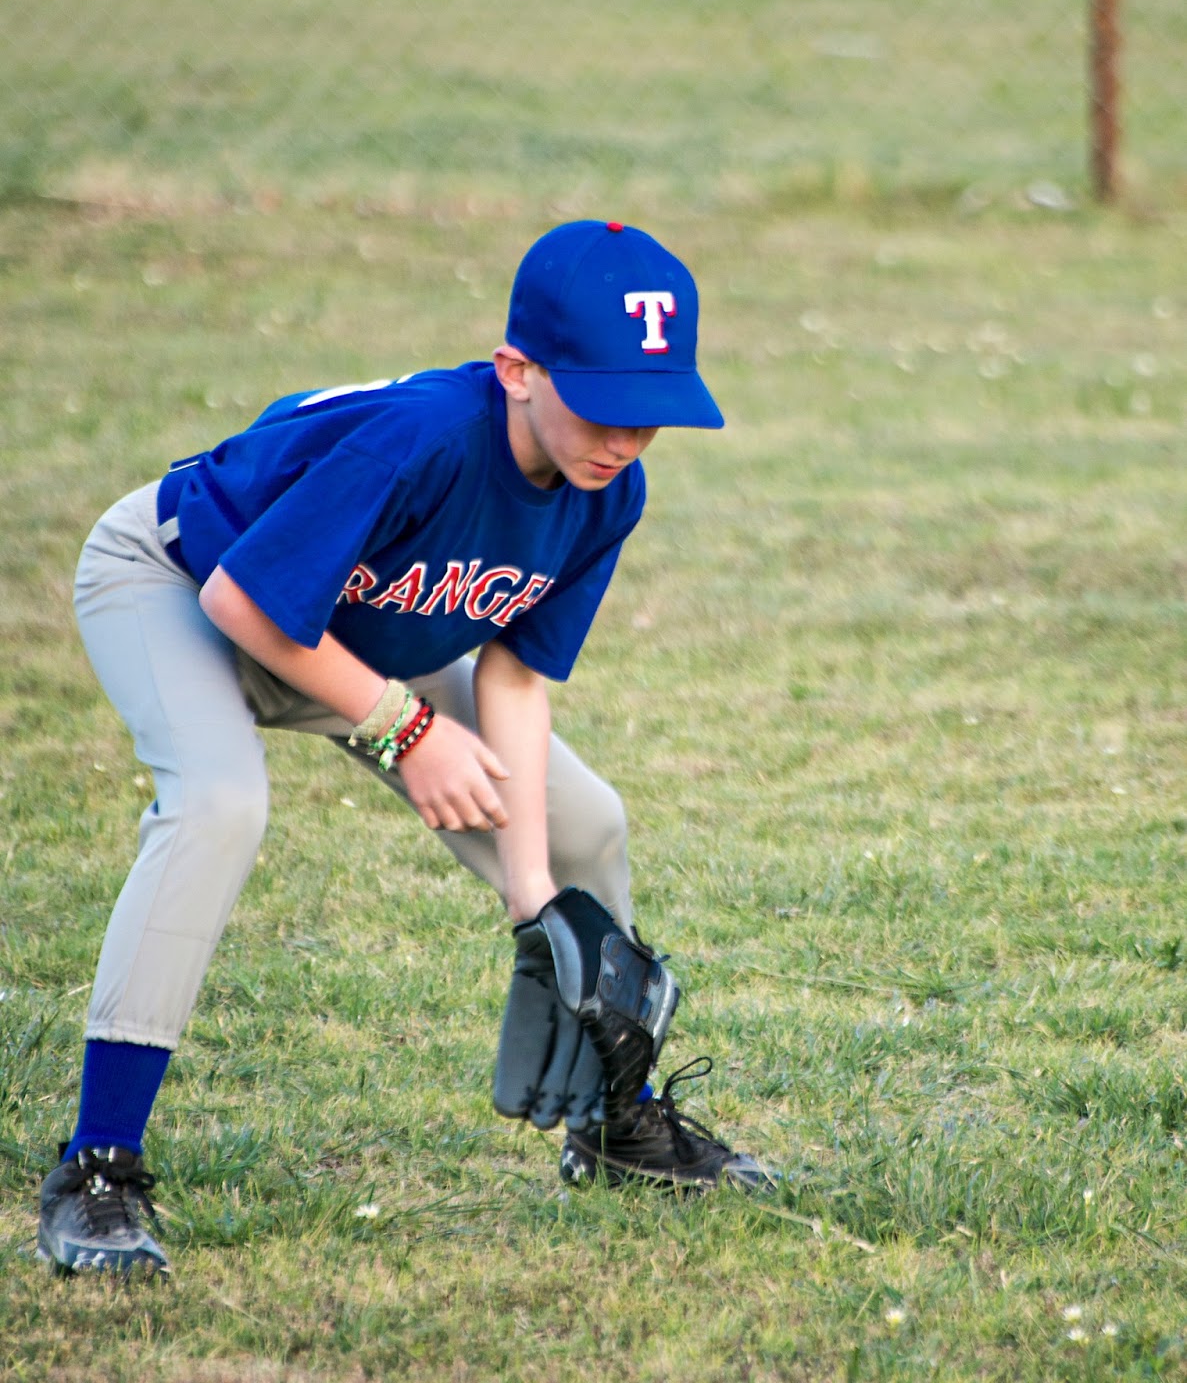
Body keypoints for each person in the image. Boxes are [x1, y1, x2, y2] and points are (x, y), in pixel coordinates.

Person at [38, 219, 771, 1281]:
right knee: (218, 805)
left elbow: (515, 674)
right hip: (186, 587)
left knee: (584, 826)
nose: (624, 437)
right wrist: (405, 726)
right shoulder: (424, 435)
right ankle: (97, 1167)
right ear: (515, 369)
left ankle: (618, 1122)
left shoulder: (606, 490)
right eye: (603, 403)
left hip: (353, 637)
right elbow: (243, 594)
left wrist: (531, 893)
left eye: (652, 416)